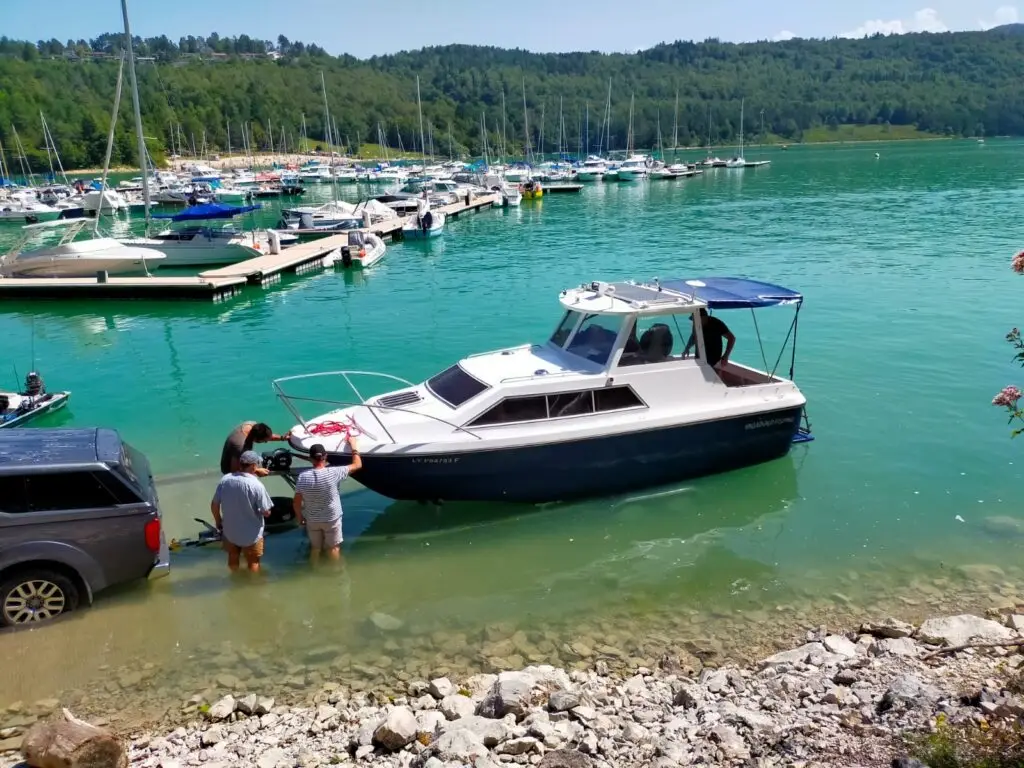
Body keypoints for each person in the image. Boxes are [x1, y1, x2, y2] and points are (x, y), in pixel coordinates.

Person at [292, 438, 362, 565]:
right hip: (331, 518)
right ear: (325, 457)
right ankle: (335, 572)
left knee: (315, 548)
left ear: (311, 459)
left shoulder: (303, 477)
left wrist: (300, 518)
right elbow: (358, 465)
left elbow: (296, 503)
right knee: (333, 548)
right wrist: (354, 446)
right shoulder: (334, 472)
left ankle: (313, 571)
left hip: (312, 519)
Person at [211, 450, 273, 573]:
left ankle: (234, 579)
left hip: (230, 531)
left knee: (233, 557)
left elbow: (214, 504)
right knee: (253, 561)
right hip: (251, 534)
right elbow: (266, 512)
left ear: (240, 464)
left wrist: (218, 521)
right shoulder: (257, 485)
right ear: (254, 466)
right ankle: (253, 586)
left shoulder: (225, 479)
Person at [220, 421, 288, 477]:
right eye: (264, 441)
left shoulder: (252, 425)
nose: (266, 442)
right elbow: (234, 472)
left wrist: (282, 438)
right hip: (231, 469)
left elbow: (267, 436)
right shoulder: (240, 446)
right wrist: (256, 470)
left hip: (243, 458)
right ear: (255, 439)